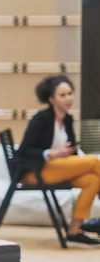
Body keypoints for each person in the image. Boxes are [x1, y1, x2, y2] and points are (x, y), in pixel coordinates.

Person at [16, 75, 100, 246]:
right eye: (62, 95)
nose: (68, 98)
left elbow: (71, 154)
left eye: (70, 93)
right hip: (35, 171)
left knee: (93, 180)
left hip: (58, 169)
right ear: (51, 99)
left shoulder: (67, 120)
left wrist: (70, 153)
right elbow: (23, 151)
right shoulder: (40, 119)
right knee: (95, 162)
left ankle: (74, 231)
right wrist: (51, 153)